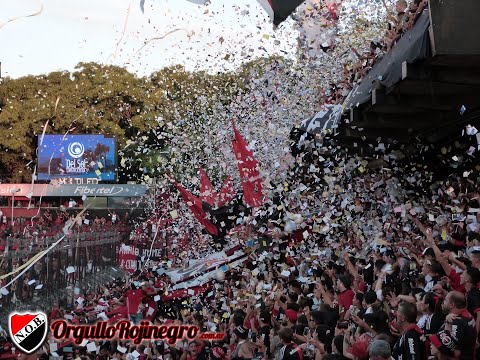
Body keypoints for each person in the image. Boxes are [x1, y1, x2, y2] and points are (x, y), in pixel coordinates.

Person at [437, 291, 476, 360]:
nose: (443, 302)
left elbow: (455, 352)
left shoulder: (457, 321)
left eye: (445, 300)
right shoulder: (467, 315)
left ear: (452, 305)